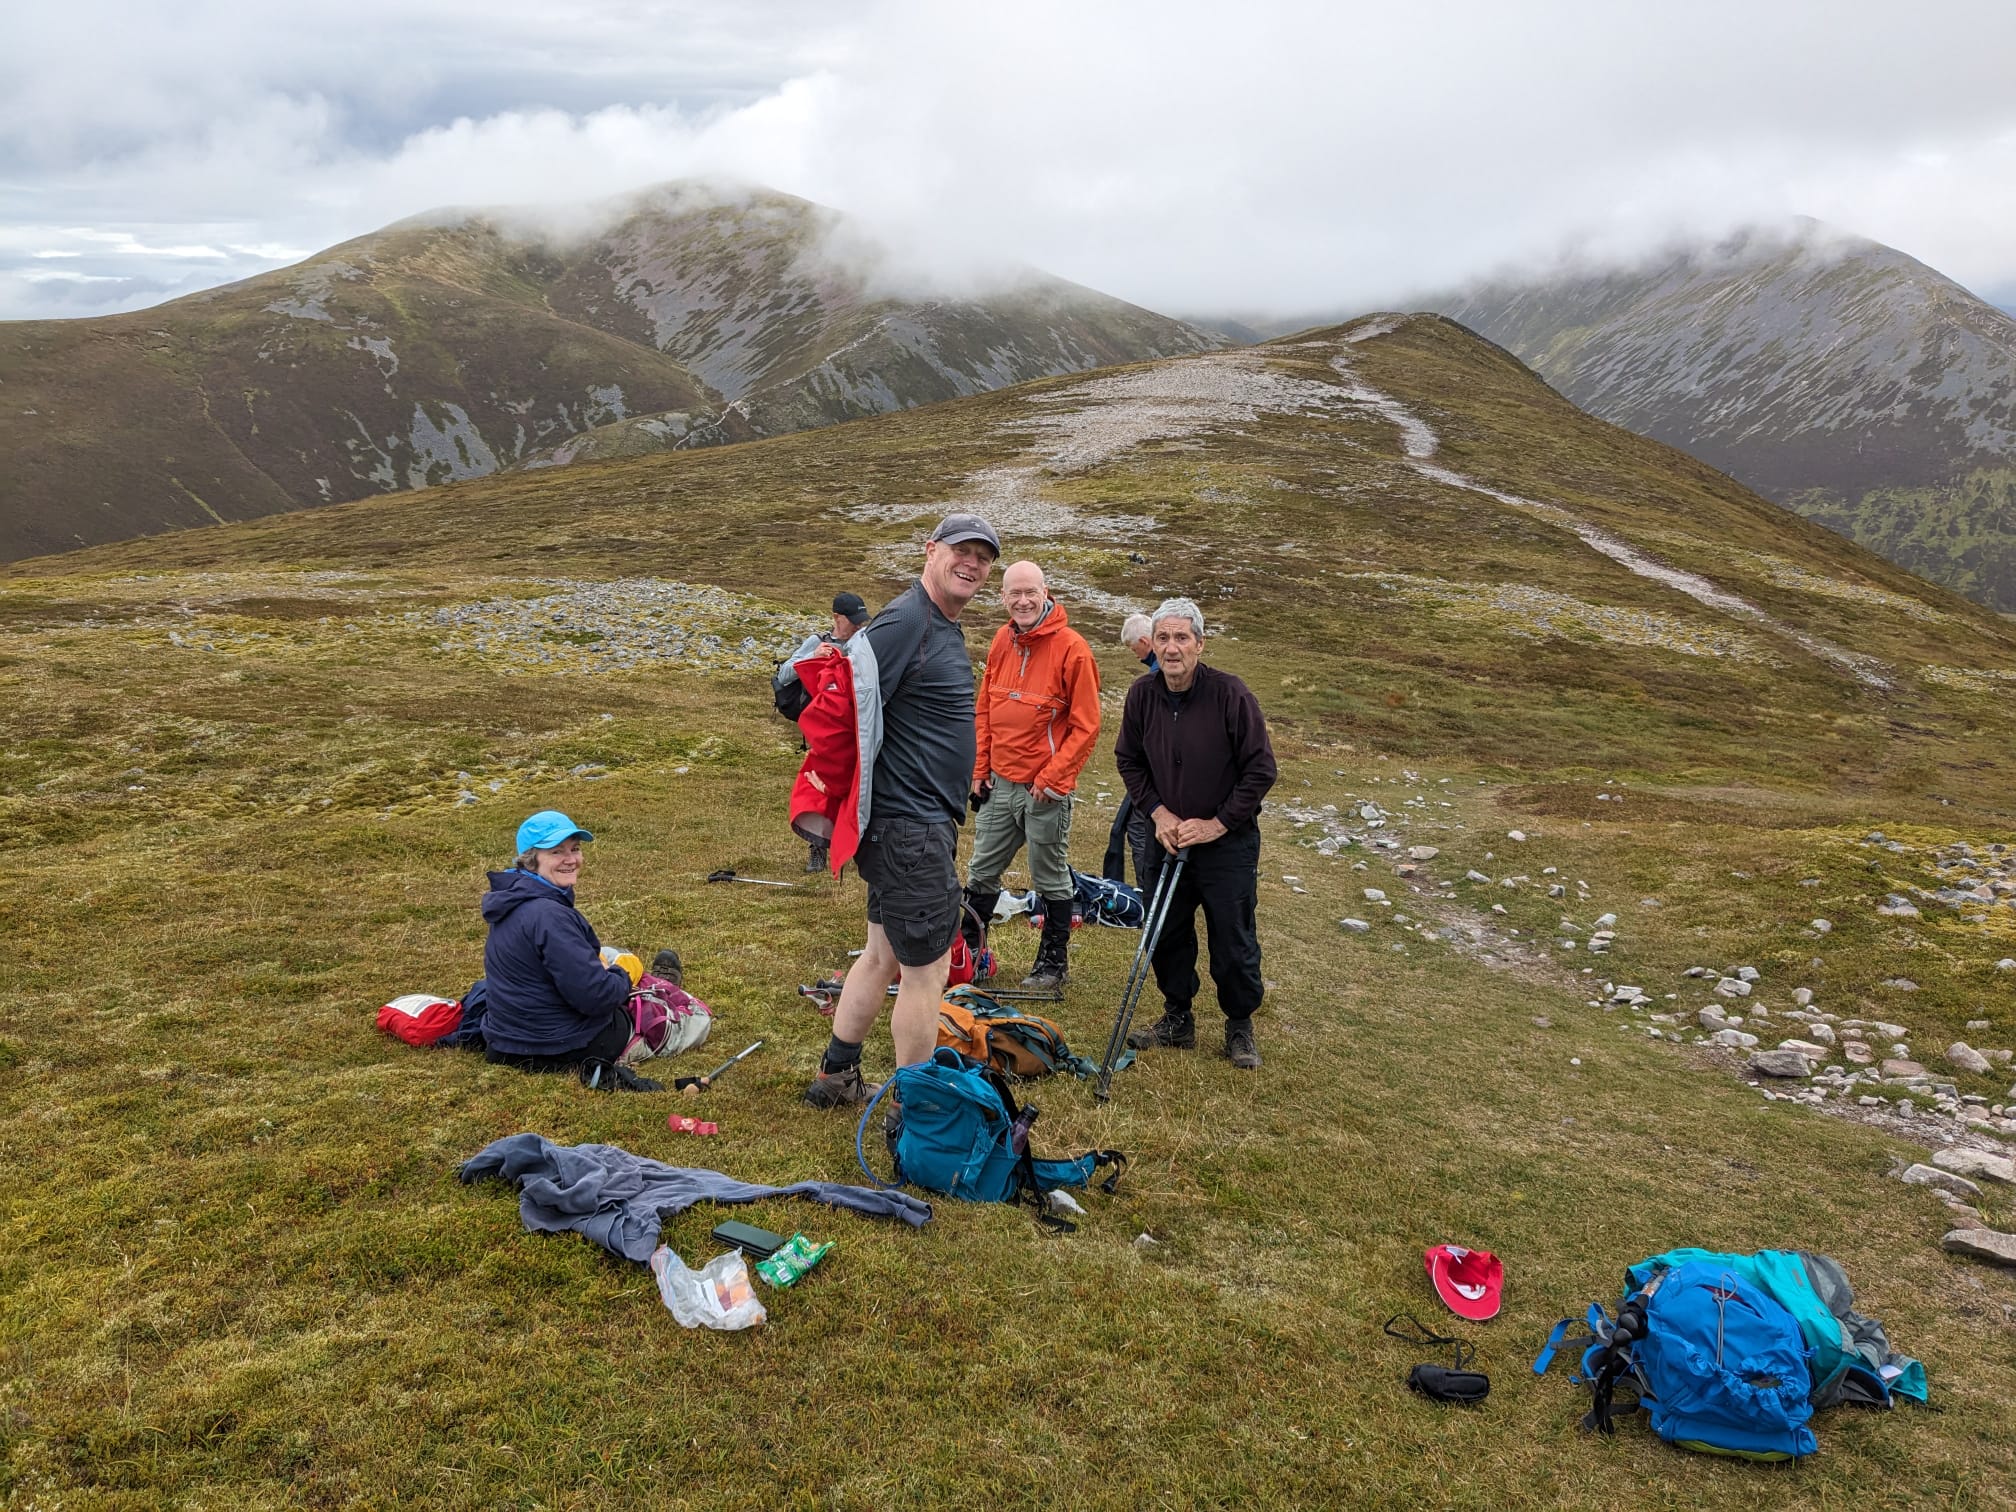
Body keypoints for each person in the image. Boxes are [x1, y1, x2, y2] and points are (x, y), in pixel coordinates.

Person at [805, 513, 1001, 1107]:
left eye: (982, 556)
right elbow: (848, 709)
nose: (971, 563)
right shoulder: (905, 623)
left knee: (883, 954)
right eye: (960, 550)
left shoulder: (936, 624)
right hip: (909, 829)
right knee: (926, 974)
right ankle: (913, 1112)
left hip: (908, 827)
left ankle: (835, 1078)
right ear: (930, 550)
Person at [1114, 598, 1277, 1070]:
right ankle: (1177, 1018)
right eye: (1163, 637)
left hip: (1227, 843)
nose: (1171, 647)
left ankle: (1239, 1025)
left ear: (1200, 644)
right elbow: (1129, 760)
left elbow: (1261, 769)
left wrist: (1218, 823)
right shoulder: (1142, 696)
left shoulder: (1232, 695)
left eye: (1182, 637)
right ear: (1153, 644)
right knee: (1166, 930)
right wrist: (1159, 814)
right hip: (1166, 840)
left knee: (1233, 936)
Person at [959, 561, 1101, 988]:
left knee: (1050, 876)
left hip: (1043, 792)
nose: (1022, 601)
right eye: (1013, 594)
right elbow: (985, 708)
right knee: (981, 871)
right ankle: (967, 955)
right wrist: (980, 768)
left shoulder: (1073, 649)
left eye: (1030, 593)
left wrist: (1054, 779)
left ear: (1045, 592)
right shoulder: (1002, 640)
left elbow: (1086, 725)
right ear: (1002, 597)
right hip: (1000, 784)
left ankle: (1053, 965)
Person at [480, 810, 658, 1089]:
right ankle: (662, 988)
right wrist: (621, 977)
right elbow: (596, 998)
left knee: (605, 954)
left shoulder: (512, 897)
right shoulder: (549, 915)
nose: (571, 859)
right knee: (675, 1017)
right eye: (556, 852)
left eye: (574, 849)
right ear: (531, 859)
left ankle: (652, 981)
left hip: (506, 1041)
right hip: (560, 1047)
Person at [776, 591, 872, 870]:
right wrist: (813, 657)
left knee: (857, 783)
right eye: (851, 621)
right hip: (824, 729)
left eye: (859, 621)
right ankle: (818, 848)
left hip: (857, 726)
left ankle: (858, 844)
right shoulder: (817, 642)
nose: (856, 626)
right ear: (836, 618)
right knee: (820, 786)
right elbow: (784, 674)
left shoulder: (863, 643)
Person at [1101, 611, 1159, 884]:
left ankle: (1147, 894)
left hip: (1153, 772)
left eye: (1132, 648)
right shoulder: (1163, 669)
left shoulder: (1157, 677)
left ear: (1145, 641)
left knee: (1137, 828)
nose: (1133, 654)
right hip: (1158, 769)